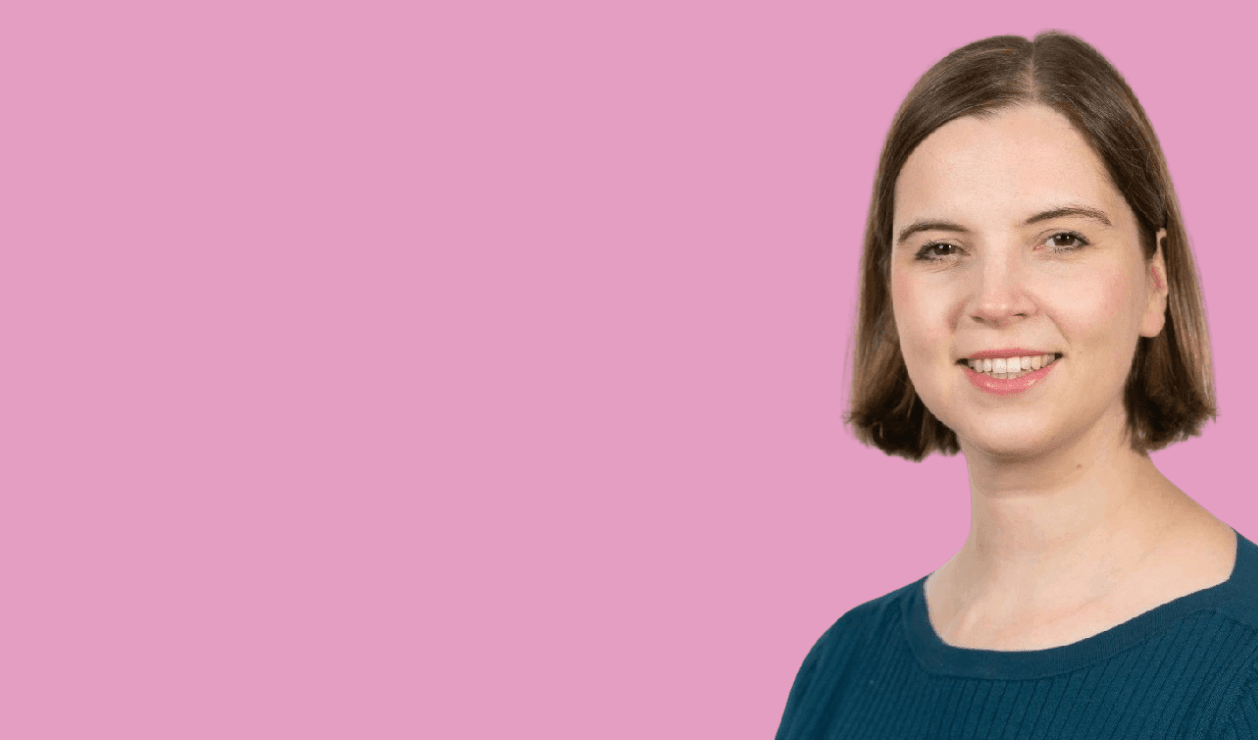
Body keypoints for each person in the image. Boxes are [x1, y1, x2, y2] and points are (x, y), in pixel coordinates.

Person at [775, 31, 1258, 739]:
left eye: (1062, 239)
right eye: (941, 248)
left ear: (1156, 281)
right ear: (890, 290)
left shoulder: (1243, 673)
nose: (995, 300)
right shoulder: (841, 667)